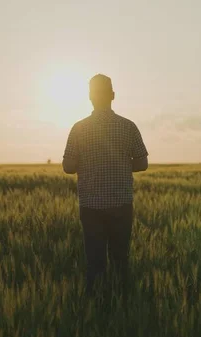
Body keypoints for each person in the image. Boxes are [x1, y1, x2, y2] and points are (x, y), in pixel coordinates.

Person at [62, 74, 149, 294]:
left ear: (90, 97)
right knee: (121, 260)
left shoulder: (79, 128)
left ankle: (96, 306)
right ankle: (123, 305)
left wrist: (90, 163)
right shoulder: (128, 127)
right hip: (121, 203)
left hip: (91, 205)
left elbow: (68, 167)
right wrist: (119, 164)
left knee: (95, 263)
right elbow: (142, 163)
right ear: (113, 96)